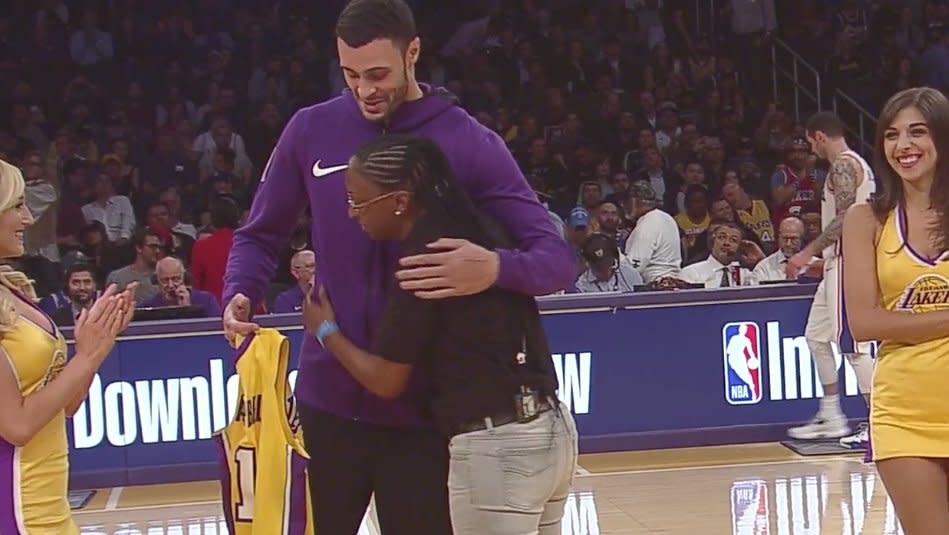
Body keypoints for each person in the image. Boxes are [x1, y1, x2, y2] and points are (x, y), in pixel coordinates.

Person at [220, 0, 576, 532]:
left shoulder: (469, 142)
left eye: (378, 74)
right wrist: (240, 288)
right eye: (350, 74)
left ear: (413, 53)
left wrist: (493, 268)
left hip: (424, 421)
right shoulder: (311, 129)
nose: (365, 89)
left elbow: (557, 260)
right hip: (325, 406)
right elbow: (259, 233)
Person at [303, 133, 577, 534]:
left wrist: (326, 330)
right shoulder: (482, 232)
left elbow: (387, 379)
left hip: (496, 448)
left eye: (357, 200)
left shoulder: (425, 264)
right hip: (555, 431)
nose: (350, 213)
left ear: (398, 200)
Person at [0, 158, 136, 533]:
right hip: (14, 511)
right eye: (17, 207)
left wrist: (96, 348)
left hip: (49, 509)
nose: (28, 219)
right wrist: (88, 356)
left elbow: (68, 406)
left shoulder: (16, 291)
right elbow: (17, 425)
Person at [841, 86, 949, 534]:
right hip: (906, 416)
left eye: (917, 132)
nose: (903, 146)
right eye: (891, 135)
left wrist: (911, 324)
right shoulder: (865, 220)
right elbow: (865, 322)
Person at [785, 112, 876, 447]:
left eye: (811, 142)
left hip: (850, 262)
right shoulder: (856, 165)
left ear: (819, 136)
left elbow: (845, 219)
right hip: (837, 262)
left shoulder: (842, 165)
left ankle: (879, 423)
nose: (812, 148)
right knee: (816, 338)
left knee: (854, 347)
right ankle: (832, 414)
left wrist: (806, 253)